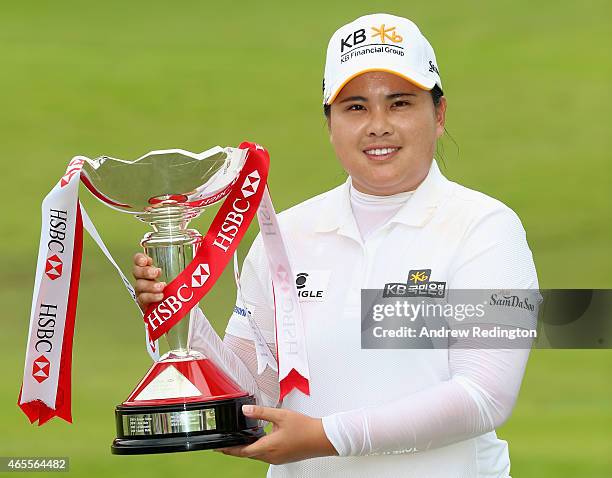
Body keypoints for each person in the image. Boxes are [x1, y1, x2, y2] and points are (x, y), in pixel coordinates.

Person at [132, 13, 540, 478]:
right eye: (356, 107)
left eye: (400, 103)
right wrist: (181, 312)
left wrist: (327, 437)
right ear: (330, 123)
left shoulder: (487, 228)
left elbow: (483, 396)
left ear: (439, 114)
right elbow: (251, 394)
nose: (378, 125)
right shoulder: (283, 235)